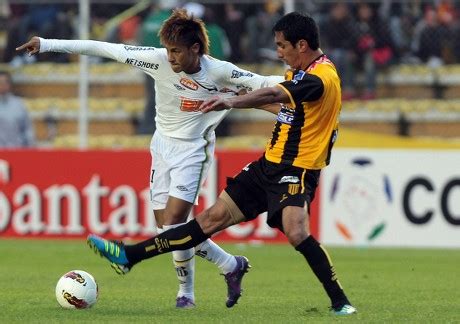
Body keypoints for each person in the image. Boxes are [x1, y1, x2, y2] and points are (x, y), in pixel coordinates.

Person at [84, 12, 357, 315]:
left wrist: (232, 100)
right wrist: (243, 97)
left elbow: (271, 92)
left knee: (296, 231)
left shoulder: (322, 77)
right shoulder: (301, 71)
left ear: (302, 44)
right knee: (209, 221)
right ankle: (129, 256)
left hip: (298, 169)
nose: (279, 52)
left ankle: (340, 301)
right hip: (268, 166)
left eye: (282, 46)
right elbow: (281, 105)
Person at [17, 9, 282, 309]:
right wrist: (46, 43)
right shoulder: (156, 60)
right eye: (168, 50)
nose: (170, 57)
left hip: (193, 151)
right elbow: (104, 48)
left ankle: (186, 294)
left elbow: (266, 82)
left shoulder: (220, 71)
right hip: (161, 146)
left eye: (176, 51)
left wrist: (308, 84)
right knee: (167, 232)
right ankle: (230, 265)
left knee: (174, 222)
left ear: (195, 49)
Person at [0, 70, 35, 147]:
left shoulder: (19, 104)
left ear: (9, 84)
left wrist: (30, 147)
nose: (2, 85)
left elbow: (27, 129)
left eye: (4, 82)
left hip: (16, 149)